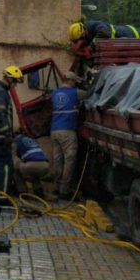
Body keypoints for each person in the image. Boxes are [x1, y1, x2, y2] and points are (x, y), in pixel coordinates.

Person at [51, 71, 83, 199]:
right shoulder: (76, 92)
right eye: (75, 81)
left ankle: (56, 188)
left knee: (57, 160)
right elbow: (91, 94)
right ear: (71, 81)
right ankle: (65, 191)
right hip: (67, 131)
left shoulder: (54, 93)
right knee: (69, 160)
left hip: (54, 131)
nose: (76, 84)